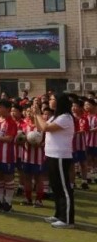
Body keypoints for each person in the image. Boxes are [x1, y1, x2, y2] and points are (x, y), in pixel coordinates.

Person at [32, 93, 75, 229]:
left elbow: (45, 128)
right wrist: (35, 115)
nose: (50, 101)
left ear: (59, 102)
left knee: (64, 188)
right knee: (56, 187)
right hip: (51, 155)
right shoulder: (55, 117)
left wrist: (39, 114)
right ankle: (59, 215)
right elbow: (40, 128)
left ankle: (68, 219)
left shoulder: (66, 118)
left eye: (53, 99)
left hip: (61, 156)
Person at [0, 99, 18, 212]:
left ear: (7, 109)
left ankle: (8, 202)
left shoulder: (11, 122)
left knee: (8, 178)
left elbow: (9, 138)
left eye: (0, 107)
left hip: (7, 155)